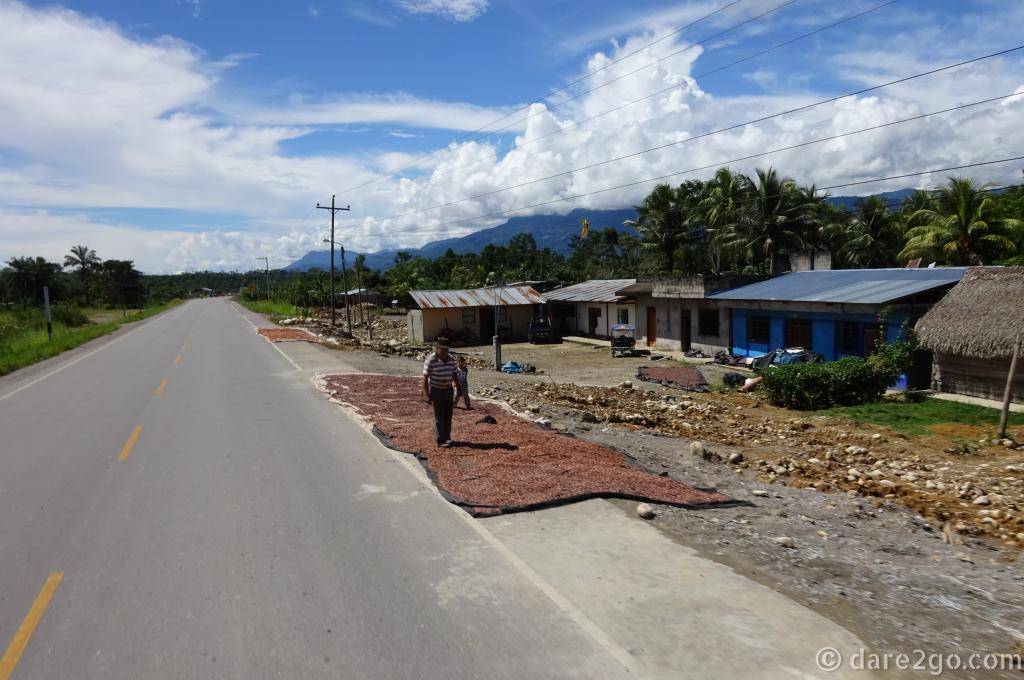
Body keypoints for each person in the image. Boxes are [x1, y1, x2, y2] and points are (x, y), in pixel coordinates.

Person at [422, 339, 459, 447]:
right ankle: (440, 440)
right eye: (442, 350)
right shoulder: (431, 360)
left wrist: (458, 388)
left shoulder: (451, 359)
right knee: (439, 415)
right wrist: (427, 394)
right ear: (437, 349)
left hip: (448, 389)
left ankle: (447, 437)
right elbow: (425, 377)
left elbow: (455, 374)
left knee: (448, 414)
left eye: (446, 350)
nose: (444, 352)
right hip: (436, 389)